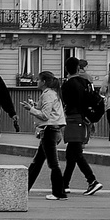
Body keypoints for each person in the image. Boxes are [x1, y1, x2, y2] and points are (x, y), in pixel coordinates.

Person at [60, 57, 102, 195]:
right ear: (78, 68)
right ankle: (64, 184)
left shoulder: (67, 85)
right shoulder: (85, 82)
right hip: (82, 119)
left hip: (72, 119)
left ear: (66, 69)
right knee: (71, 154)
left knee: (76, 153)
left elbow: (66, 103)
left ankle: (92, 180)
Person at [25, 71, 68, 200]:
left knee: (52, 163)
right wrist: (34, 106)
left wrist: (31, 109)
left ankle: (59, 192)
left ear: (44, 82)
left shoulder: (48, 95)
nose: (37, 82)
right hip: (54, 129)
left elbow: (45, 115)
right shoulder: (52, 93)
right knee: (37, 161)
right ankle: (24, 188)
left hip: (50, 130)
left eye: (38, 80)